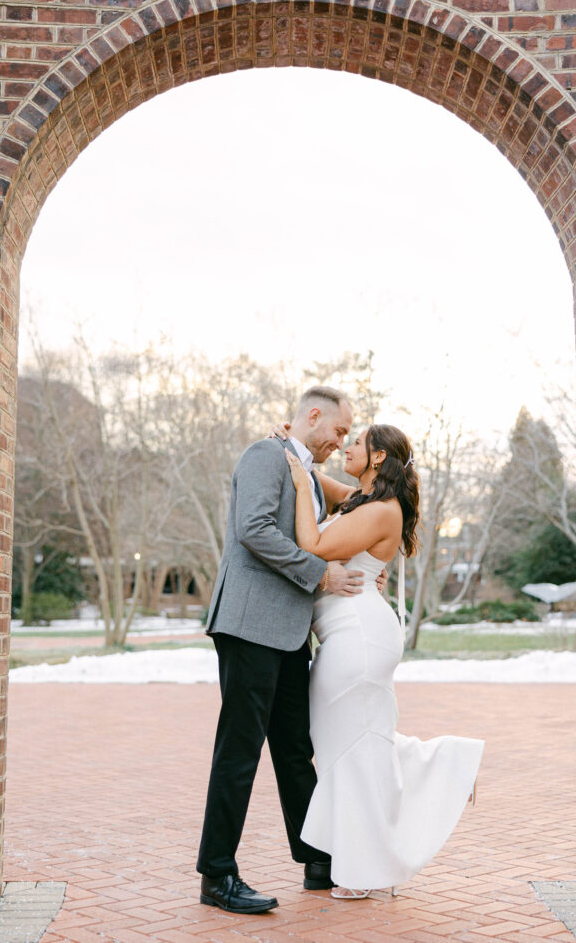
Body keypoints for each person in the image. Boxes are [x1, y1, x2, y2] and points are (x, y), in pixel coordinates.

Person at [284, 423, 484, 900]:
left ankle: (360, 868)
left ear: (376, 458)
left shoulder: (380, 511)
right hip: (349, 634)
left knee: (347, 749)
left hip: (359, 636)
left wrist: (295, 486)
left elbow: (311, 547)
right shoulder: (361, 500)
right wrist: (298, 457)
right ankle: (448, 764)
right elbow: (318, 479)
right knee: (353, 744)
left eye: (355, 443)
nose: (346, 448)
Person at [197, 386, 373, 914]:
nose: (340, 442)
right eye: (338, 431)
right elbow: (253, 529)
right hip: (250, 625)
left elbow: (363, 503)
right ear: (312, 416)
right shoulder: (263, 455)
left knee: (295, 748)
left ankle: (318, 859)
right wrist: (321, 574)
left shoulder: (307, 474)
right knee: (240, 749)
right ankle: (217, 875)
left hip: (292, 634)